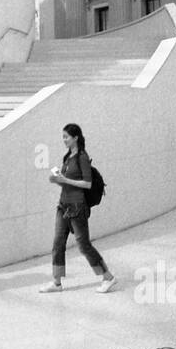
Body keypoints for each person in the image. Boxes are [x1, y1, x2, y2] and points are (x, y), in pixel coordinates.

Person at [38, 123, 116, 294]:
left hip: (77, 207)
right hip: (63, 205)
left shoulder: (82, 157)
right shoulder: (68, 157)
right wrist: (58, 179)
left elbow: (87, 184)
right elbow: (66, 181)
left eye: (66, 137)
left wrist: (66, 181)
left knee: (83, 245)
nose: (64, 140)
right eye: (63, 137)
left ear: (76, 138)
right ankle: (56, 283)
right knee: (57, 243)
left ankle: (108, 277)